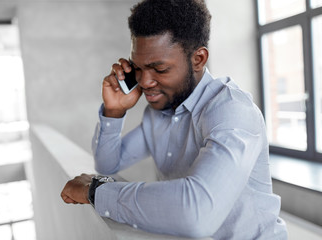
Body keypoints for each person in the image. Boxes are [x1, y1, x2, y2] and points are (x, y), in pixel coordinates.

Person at [61, 0, 288, 239]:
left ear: (198, 59)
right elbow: (108, 164)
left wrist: (97, 192)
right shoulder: (158, 114)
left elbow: (196, 213)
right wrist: (114, 111)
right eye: (138, 68)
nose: (145, 82)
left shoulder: (232, 109)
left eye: (159, 69)